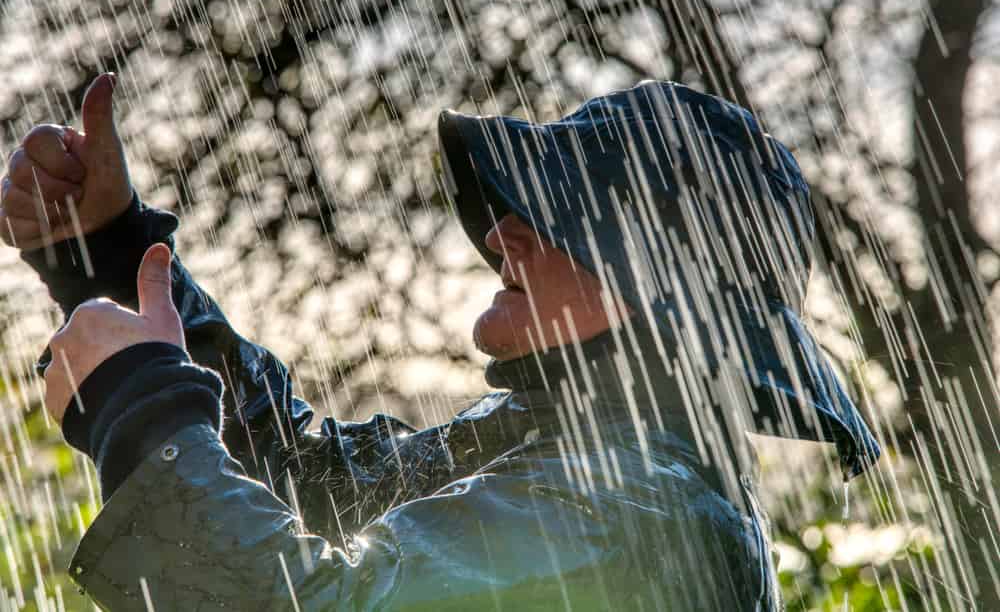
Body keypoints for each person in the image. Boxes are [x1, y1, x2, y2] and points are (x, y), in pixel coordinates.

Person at [2, 74, 880, 610]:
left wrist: (147, 408)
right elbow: (316, 490)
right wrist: (113, 254)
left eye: (561, 216)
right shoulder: (578, 456)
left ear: (666, 284)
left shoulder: (645, 511)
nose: (503, 233)